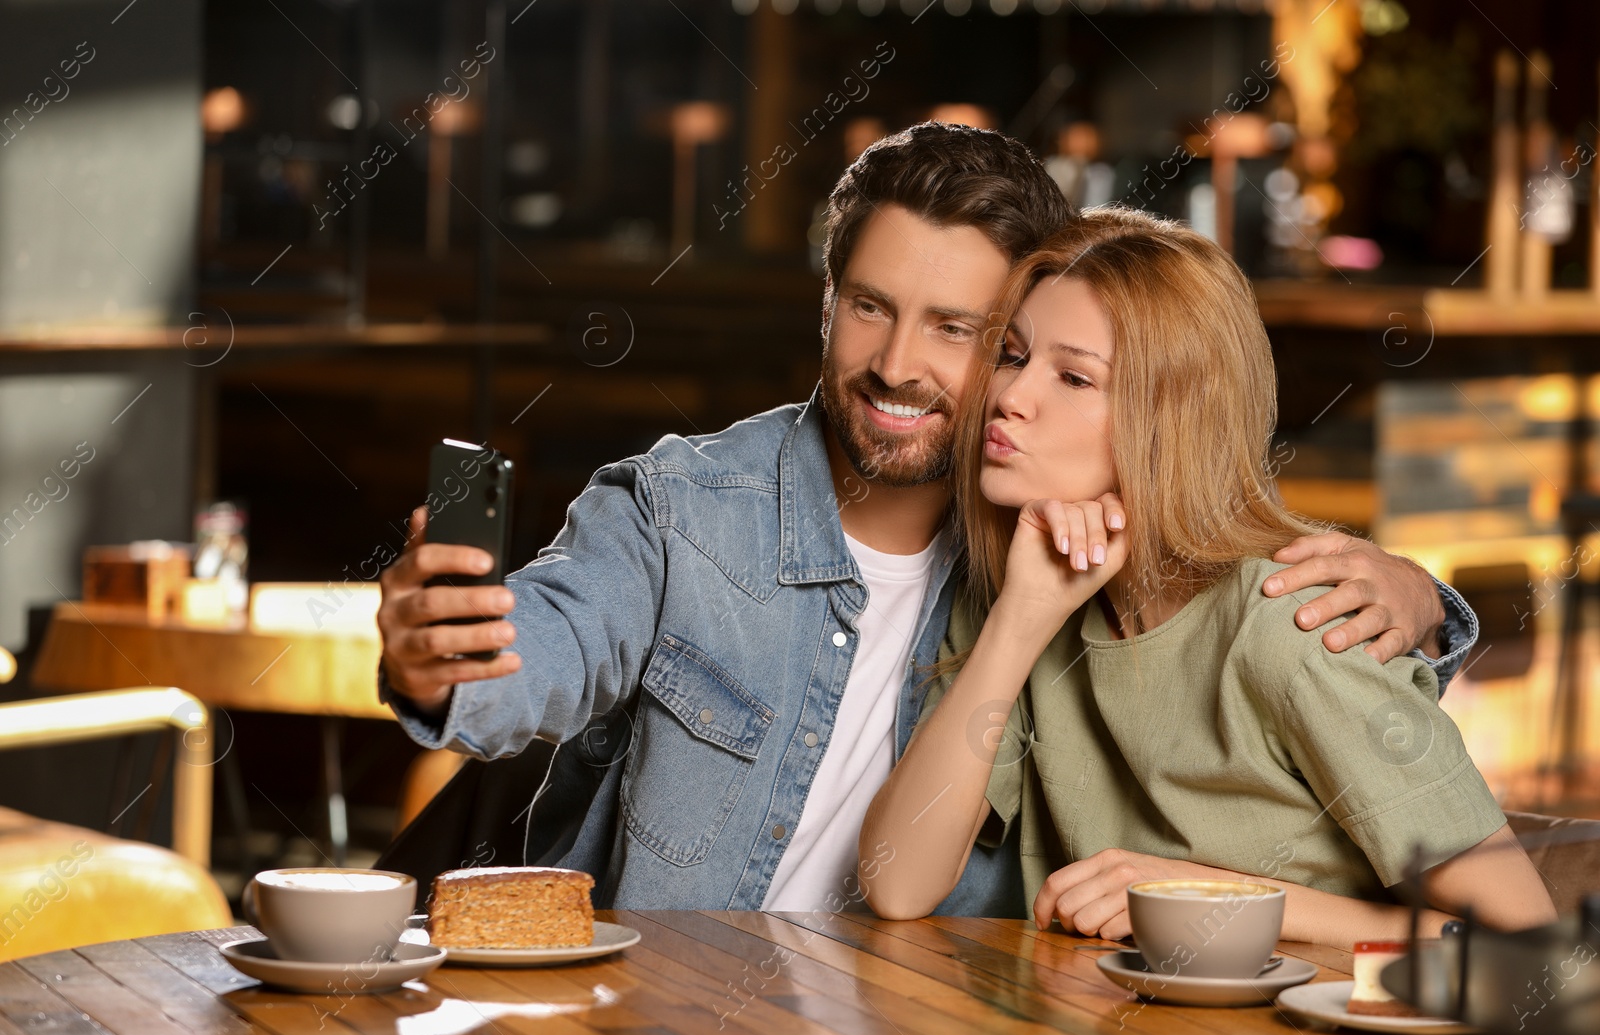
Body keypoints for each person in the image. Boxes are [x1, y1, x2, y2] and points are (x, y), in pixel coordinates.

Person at [377, 123, 1479, 917]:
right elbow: (545, 644)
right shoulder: (683, 506)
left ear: (1017, 340)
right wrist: (444, 655)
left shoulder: (1048, 554)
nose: (896, 365)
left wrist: (1420, 596)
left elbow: (1226, 573)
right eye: (868, 306)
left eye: (957, 327)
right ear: (826, 300)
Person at [858, 207, 1554, 942]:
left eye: (1072, 376)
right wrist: (1020, 621)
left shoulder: (1293, 624)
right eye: (1012, 354)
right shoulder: (1027, 586)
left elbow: (1531, 946)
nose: (1009, 397)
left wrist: (1211, 898)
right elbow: (898, 882)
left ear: (1171, 416)